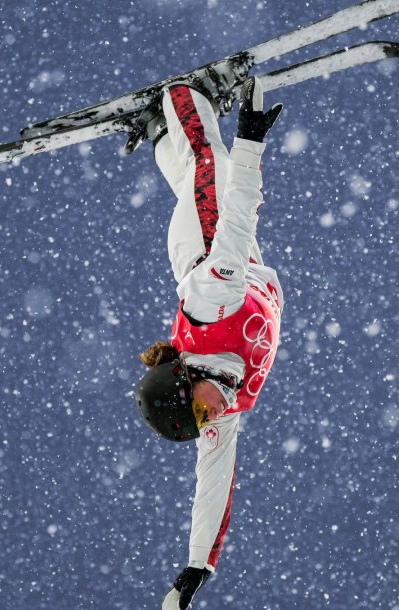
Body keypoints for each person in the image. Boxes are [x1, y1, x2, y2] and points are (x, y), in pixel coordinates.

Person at [133, 76, 284, 610]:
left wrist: (250, 142)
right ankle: (158, 133)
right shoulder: (222, 402)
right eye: (202, 424)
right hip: (234, 267)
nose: (209, 420)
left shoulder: (210, 306)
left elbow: (239, 222)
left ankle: (182, 95)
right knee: (195, 173)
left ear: (186, 380)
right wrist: (197, 568)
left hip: (209, 241)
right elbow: (213, 482)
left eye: (197, 414)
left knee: (208, 161)